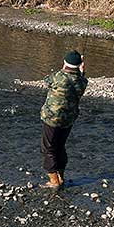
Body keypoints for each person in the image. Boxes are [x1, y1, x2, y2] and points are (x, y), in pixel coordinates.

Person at [40, 50, 88, 190]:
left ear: (65, 63)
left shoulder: (59, 76)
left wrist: (71, 67)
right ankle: (61, 177)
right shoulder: (82, 81)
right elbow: (78, 80)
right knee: (60, 147)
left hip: (52, 118)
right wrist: (80, 70)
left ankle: (54, 181)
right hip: (69, 119)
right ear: (79, 65)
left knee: (48, 148)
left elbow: (47, 81)